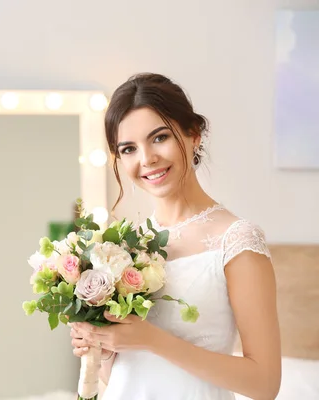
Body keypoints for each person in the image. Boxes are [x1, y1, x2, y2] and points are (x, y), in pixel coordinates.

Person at [69, 73, 282, 400]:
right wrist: (105, 347)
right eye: (128, 149)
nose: (146, 159)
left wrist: (151, 339)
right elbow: (128, 378)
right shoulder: (123, 249)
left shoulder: (236, 239)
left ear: (193, 134)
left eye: (159, 138)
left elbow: (265, 384)